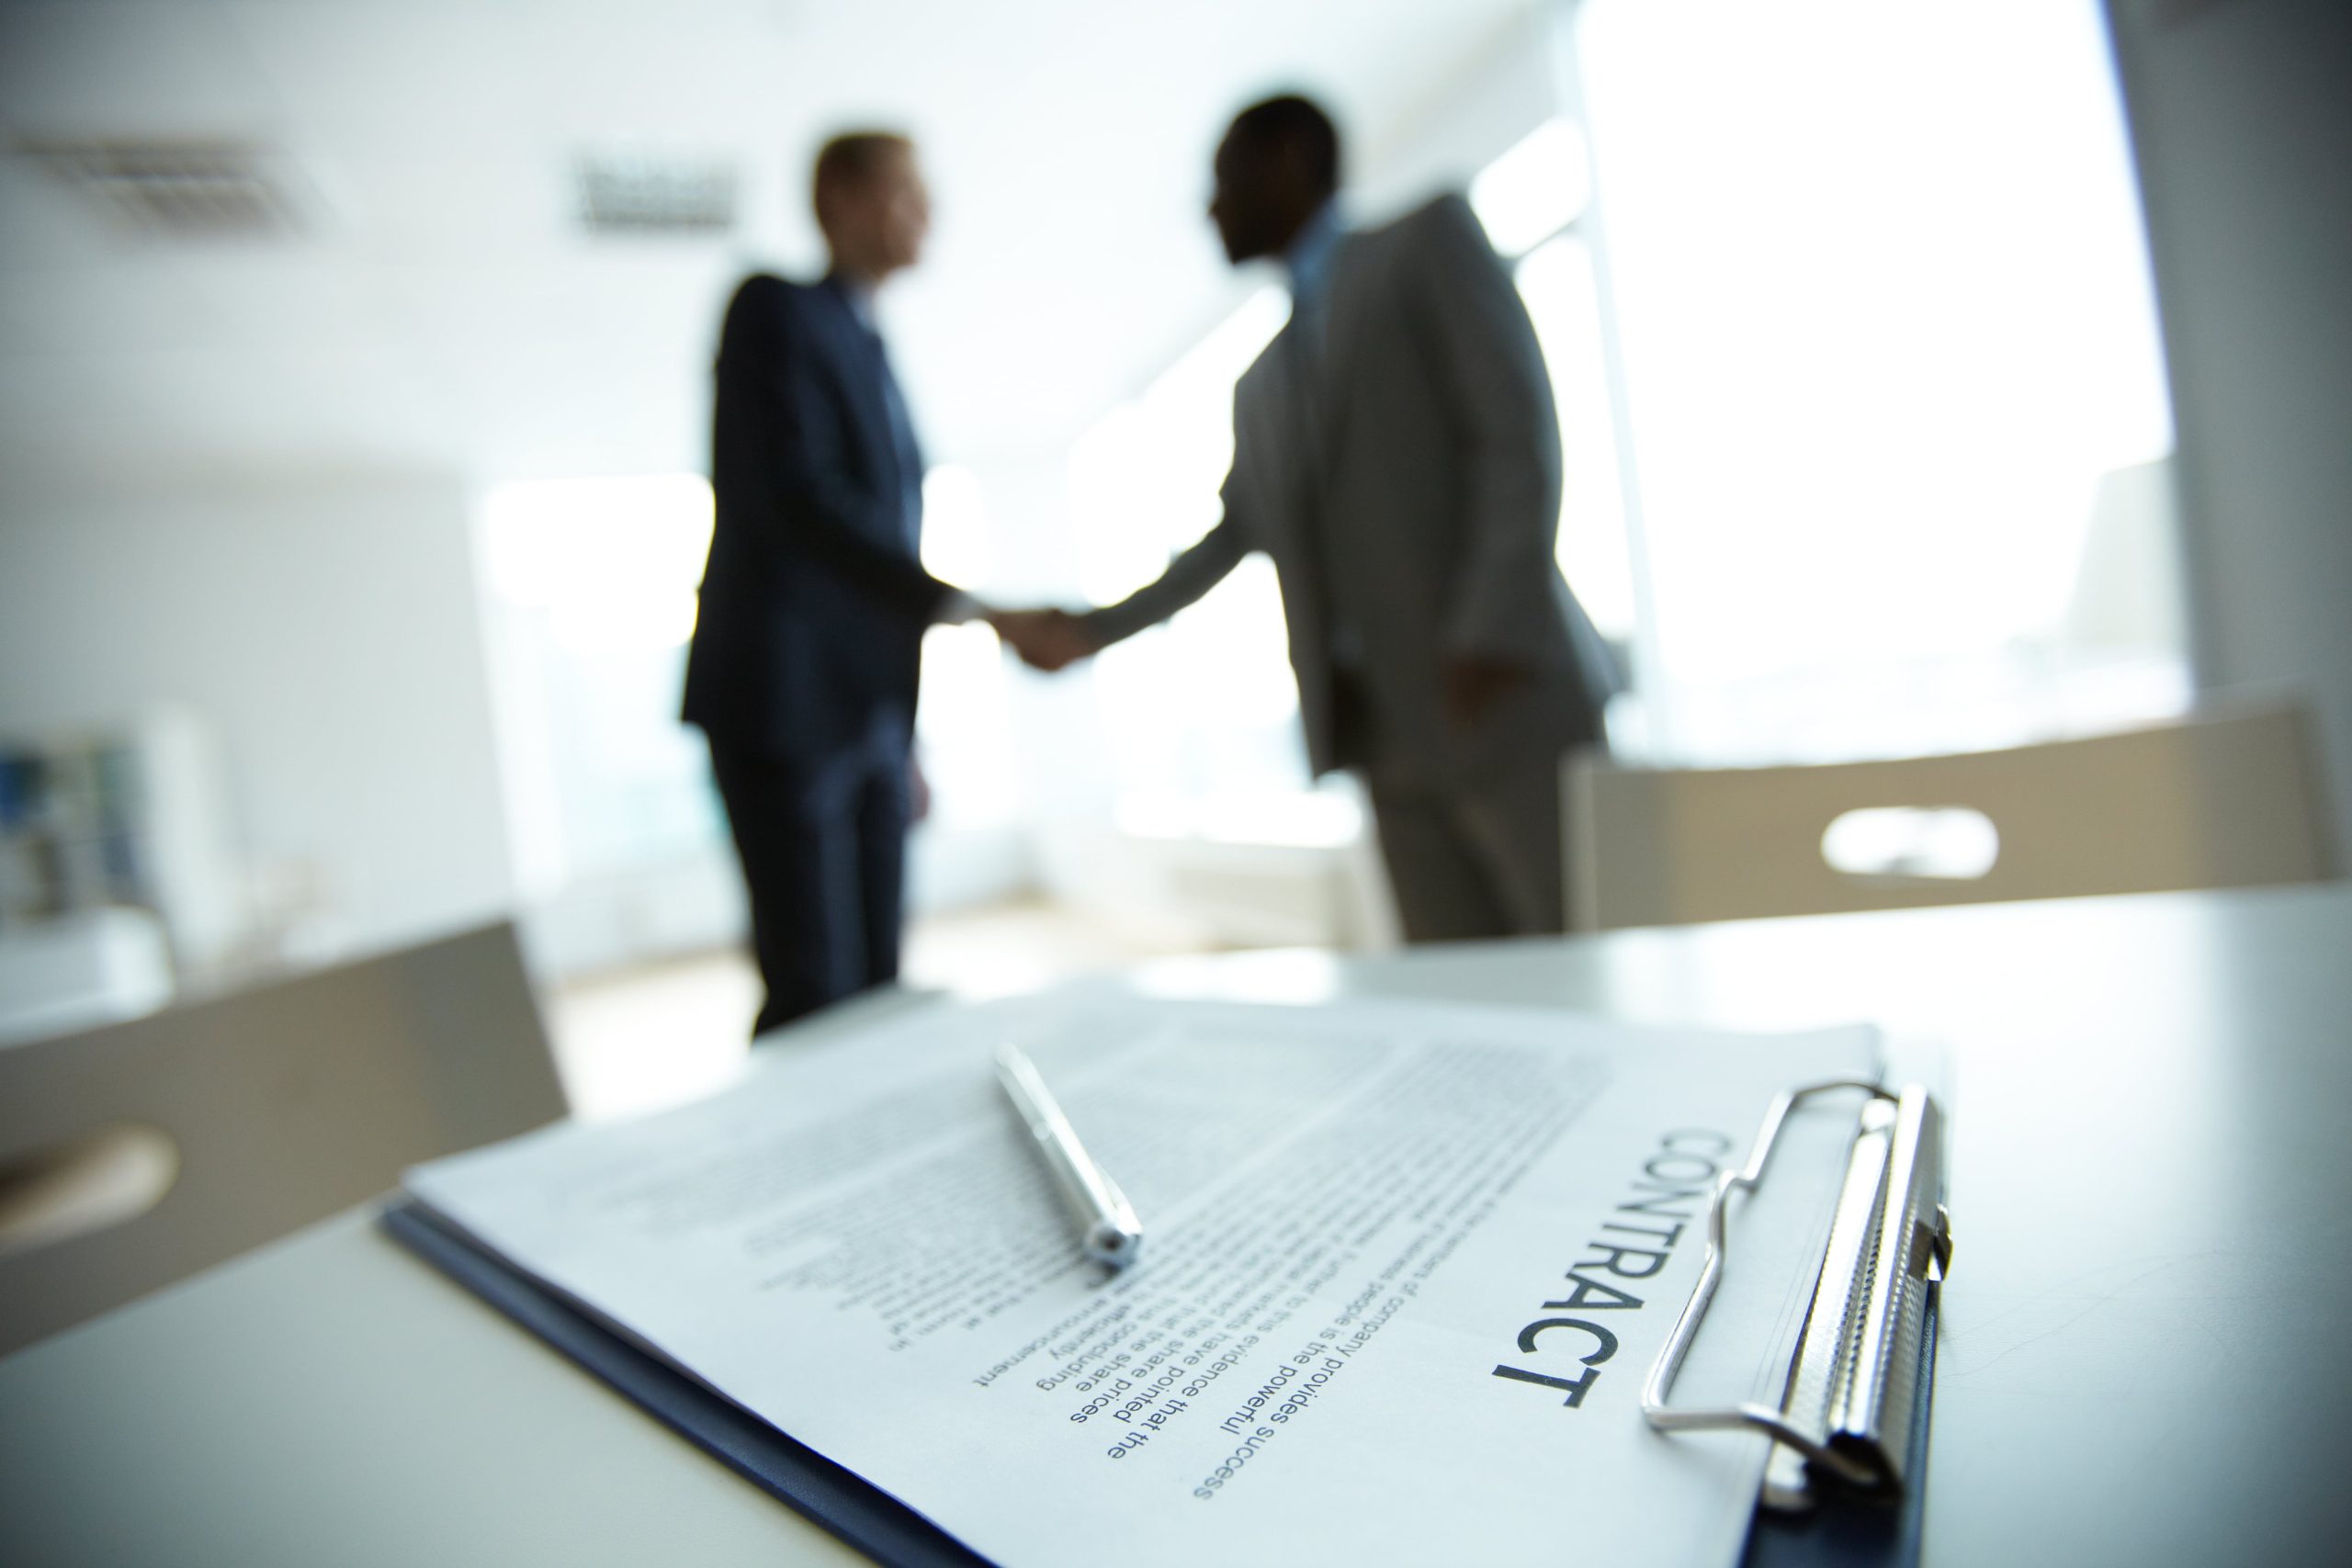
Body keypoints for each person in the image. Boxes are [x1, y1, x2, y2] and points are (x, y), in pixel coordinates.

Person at [1013, 96, 1622, 942]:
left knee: (1587, 962)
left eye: (1225, 179)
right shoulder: (1257, 386)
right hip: (1381, 737)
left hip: (1503, 698)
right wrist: (1091, 632)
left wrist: (1488, 632)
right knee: (1470, 1005)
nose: (1210, 206)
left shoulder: (1426, 244)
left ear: (1293, 158)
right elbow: (1227, 540)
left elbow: (1516, 436)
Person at [682, 132, 1050, 1033]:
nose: (927, 214)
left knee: (880, 987)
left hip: (870, 717)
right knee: (816, 991)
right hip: (784, 708)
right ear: (840, 199)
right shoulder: (773, 310)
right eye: (906, 192)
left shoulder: (875, 350)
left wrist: (902, 736)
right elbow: (803, 503)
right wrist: (971, 608)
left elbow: (873, 537)